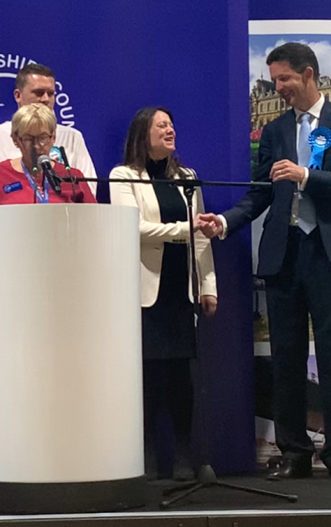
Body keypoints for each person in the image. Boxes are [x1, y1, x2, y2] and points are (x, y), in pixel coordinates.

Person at [197, 43, 331, 483]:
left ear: (308, 74)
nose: (278, 88)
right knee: (286, 359)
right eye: (274, 81)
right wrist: (224, 221)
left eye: (284, 80)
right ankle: (294, 452)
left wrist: (305, 175)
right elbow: (259, 193)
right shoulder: (274, 131)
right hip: (284, 256)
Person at [109, 107, 216, 481]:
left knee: (182, 381)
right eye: (161, 125)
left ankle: (189, 457)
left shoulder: (186, 178)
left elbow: (201, 237)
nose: (170, 130)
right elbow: (132, 228)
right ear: (143, 133)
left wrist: (208, 285)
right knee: (149, 381)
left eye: (172, 125)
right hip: (144, 293)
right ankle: (151, 459)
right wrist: (184, 228)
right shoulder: (123, 176)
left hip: (180, 290)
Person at [0, 63, 96, 205]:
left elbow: (87, 189)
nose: (46, 99)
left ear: (53, 137)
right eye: (39, 92)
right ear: (18, 95)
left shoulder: (72, 137)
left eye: (50, 94)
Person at [0, 103, 95, 206]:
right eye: (28, 139)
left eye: (43, 138)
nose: (36, 146)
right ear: (15, 140)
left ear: (53, 138)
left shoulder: (72, 176)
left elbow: (94, 221)